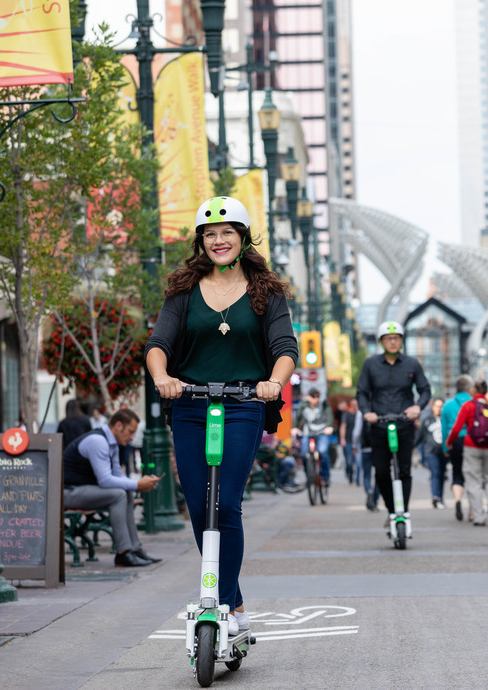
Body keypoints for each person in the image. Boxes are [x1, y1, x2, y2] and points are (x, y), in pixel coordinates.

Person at [144, 195, 298, 635]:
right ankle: (234, 602)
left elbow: (285, 349)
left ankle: (222, 604)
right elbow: (159, 344)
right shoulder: (183, 292)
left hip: (244, 404)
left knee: (225, 503)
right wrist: (162, 378)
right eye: (209, 235)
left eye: (226, 232)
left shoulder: (265, 292)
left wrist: (273, 382)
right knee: (199, 507)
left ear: (242, 237)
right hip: (191, 406)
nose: (218, 241)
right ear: (200, 243)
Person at [356, 321, 431, 530]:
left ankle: (403, 511)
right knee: (381, 472)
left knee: (404, 470)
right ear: (381, 342)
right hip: (379, 426)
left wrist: (417, 407)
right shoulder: (371, 364)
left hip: (404, 425)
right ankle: (391, 511)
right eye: (388, 338)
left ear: (401, 340)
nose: (392, 341)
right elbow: (361, 392)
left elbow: (425, 389)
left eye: (396, 338)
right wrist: (366, 412)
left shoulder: (412, 364)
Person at [62, 409, 161, 567]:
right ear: (118, 425)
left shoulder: (112, 443)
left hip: (82, 489)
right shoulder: (98, 441)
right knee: (119, 495)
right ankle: (123, 553)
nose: (131, 438)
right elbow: (105, 481)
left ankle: (134, 549)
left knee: (126, 492)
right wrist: (137, 485)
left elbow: (117, 475)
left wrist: (138, 485)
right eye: (130, 432)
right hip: (67, 492)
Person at [445, 380, 488, 526]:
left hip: (472, 446)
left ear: (473, 390)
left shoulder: (469, 406)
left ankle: (478, 516)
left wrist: (449, 442)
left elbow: (457, 427)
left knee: (473, 480)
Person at [440, 375, 473, 521]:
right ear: (468, 388)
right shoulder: (474, 403)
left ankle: (458, 500)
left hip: (454, 442)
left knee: (457, 473)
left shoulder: (447, 405)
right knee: (473, 476)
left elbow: (443, 429)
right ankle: (473, 509)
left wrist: (445, 449)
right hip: (472, 442)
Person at [292, 389, 334, 485]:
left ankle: (325, 476)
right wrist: (294, 428)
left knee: (323, 452)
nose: (316, 399)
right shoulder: (303, 405)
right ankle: (309, 477)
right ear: (308, 397)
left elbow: (329, 416)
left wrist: (330, 426)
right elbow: (297, 418)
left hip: (322, 432)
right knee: (303, 454)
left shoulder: (324, 404)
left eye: (317, 397)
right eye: (313, 397)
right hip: (308, 433)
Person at [415, 398, 447, 509]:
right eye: (437, 406)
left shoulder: (445, 420)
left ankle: (440, 498)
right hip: (431, 452)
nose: (439, 408)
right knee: (435, 473)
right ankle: (435, 497)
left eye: (441, 406)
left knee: (442, 475)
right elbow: (419, 436)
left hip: (443, 452)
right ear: (432, 407)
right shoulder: (427, 420)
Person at [340, 398, 362, 486]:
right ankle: (350, 474)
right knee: (349, 461)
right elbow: (343, 426)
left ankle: (357, 480)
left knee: (358, 462)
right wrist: (342, 438)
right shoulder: (347, 414)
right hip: (348, 441)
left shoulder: (360, 414)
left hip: (359, 441)